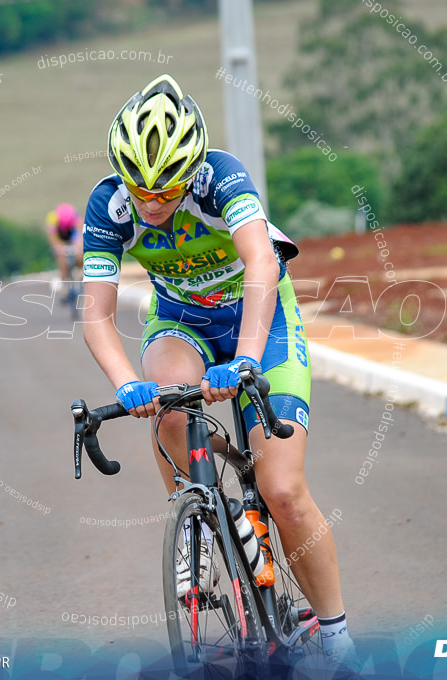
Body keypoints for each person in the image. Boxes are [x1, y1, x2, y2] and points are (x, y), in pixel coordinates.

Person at [80, 74, 357, 666]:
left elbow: (259, 263)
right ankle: (198, 512)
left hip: (263, 318)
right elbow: (98, 316)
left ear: (192, 171)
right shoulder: (108, 204)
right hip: (181, 321)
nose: (152, 204)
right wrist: (125, 386)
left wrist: (249, 358)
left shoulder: (221, 177)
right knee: (165, 401)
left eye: (167, 191)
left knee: (282, 490)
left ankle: (335, 634)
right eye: (140, 190)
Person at [46, 203, 83, 297]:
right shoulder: (53, 218)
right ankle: (64, 281)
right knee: (61, 258)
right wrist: (58, 247)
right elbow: (52, 237)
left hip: (72, 235)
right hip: (60, 237)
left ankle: (80, 273)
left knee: (80, 255)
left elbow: (80, 234)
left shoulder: (75, 216)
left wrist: (79, 246)